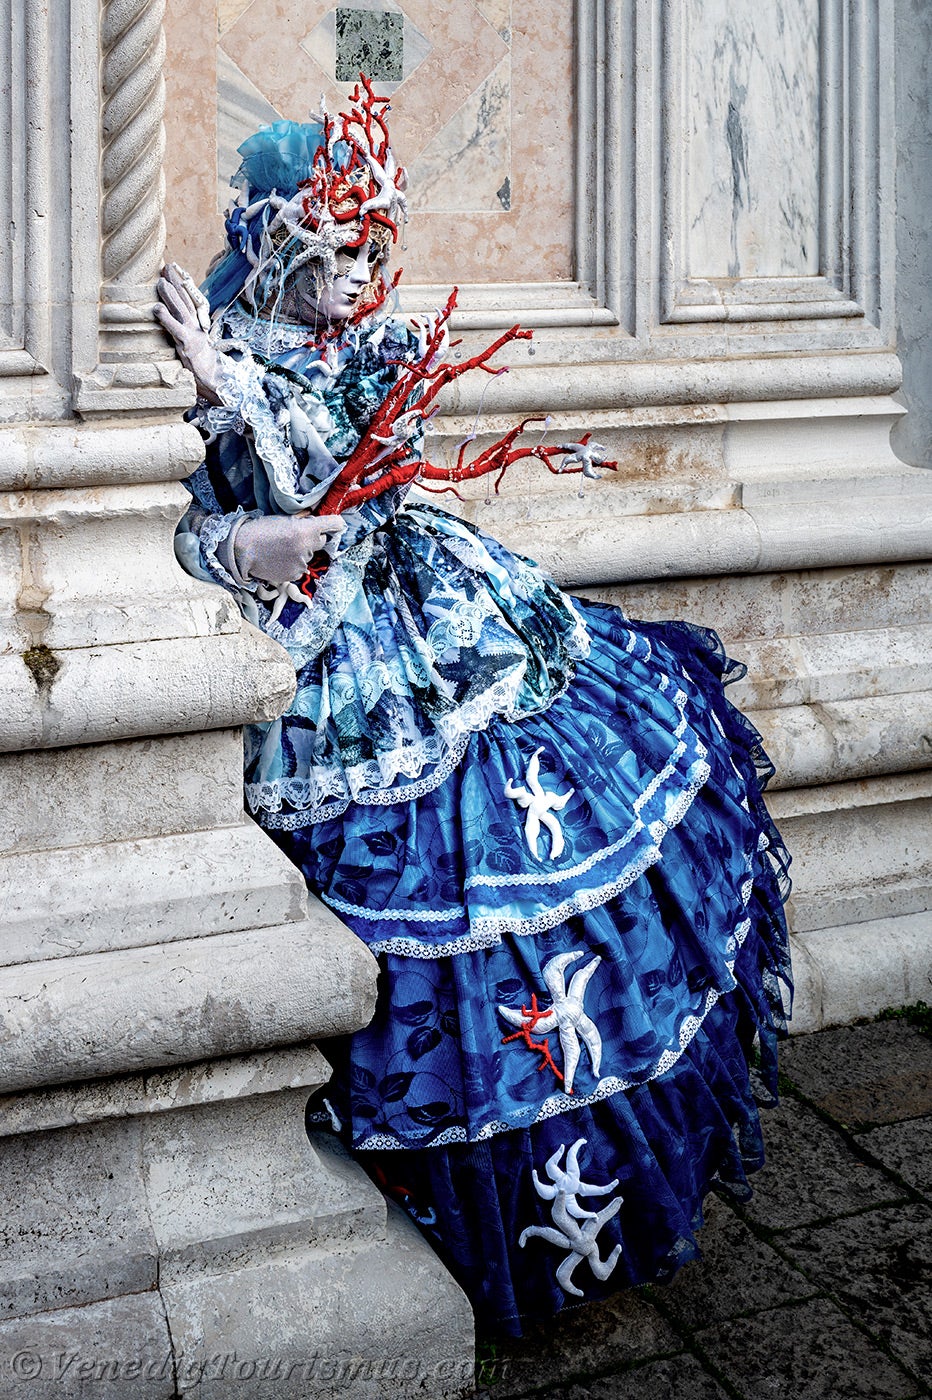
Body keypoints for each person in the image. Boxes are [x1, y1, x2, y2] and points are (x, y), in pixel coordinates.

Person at [155, 78, 792, 1336]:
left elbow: (354, 465)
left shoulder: (368, 351)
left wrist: (246, 398)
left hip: (433, 622)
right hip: (317, 665)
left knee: (524, 836)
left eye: (369, 250)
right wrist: (240, 544)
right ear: (280, 250)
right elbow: (162, 519)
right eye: (335, 251)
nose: (356, 276)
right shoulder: (214, 362)